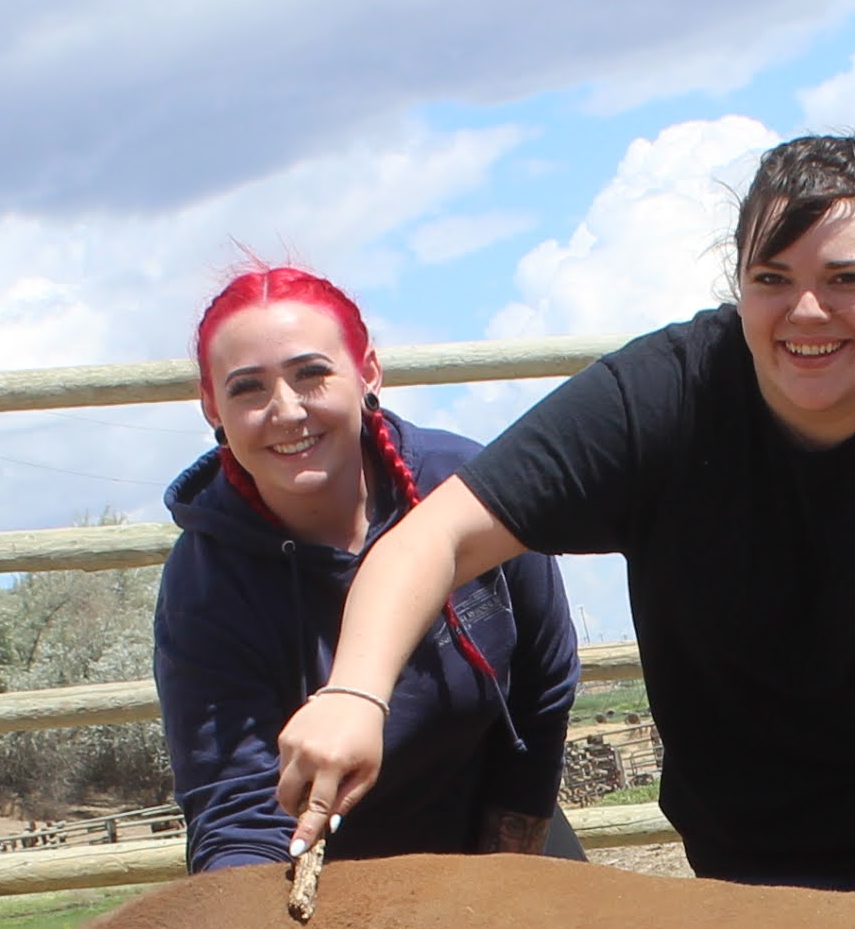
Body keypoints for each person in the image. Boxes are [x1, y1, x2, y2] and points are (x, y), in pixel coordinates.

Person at [274, 134, 855, 894]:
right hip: (765, 855)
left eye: (846, 278)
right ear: (739, 284)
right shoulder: (661, 400)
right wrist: (354, 693)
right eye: (773, 278)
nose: (807, 311)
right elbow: (431, 537)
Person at [153, 263, 579, 874]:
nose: (286, 411)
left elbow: (545, 682)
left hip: (498, 824)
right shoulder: (204, 587)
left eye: (311, 374)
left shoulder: (463, 488)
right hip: (332, 870)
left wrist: (505, 861)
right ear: (210, 406)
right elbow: (237, 812)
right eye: (247, 388)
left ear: (368, 372)